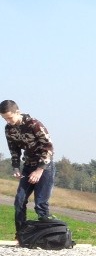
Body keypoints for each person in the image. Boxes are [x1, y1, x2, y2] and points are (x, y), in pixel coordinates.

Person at [1, 99, 56, 238]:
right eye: (4, 119)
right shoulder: (9, 129)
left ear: (17, 112)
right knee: (19, 201)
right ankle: (21, 234)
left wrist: (39, 170)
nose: (8, 121)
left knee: (40, 204)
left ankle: (48, 237)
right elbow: (14, 149)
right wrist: (15, 167)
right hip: (28, 166)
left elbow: (48, 147)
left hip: (44, 167)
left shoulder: (34, 124)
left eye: (9, 117)